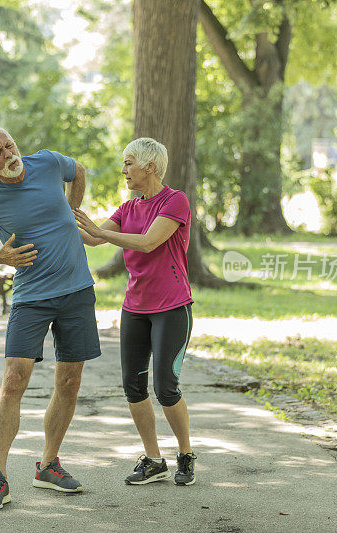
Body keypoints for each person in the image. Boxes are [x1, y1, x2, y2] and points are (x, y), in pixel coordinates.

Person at [0, 125, 101, 510]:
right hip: (32, 298)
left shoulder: (48, 162)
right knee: (14, 380)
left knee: (70, 380)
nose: (7, 154)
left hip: (77, 290)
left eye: (9, 145)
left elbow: (78, 170)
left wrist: (71, 208)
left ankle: (48, 465)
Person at [73, 137, 196, 486]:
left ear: (150, 167)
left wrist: (100, 232)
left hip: (172, 308)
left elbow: (148, 242)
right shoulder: (128, 207)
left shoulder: (175, 201)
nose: (123, 169)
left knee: (166, 386)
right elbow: (95, 239)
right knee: (133, 386)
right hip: (135, 308)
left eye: (129, 163)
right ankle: (154, 460)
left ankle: (185, 453)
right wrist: (61, 216)